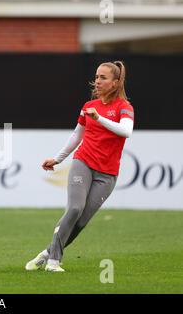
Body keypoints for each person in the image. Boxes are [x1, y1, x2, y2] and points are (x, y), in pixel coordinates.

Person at [25, 61, 134, 272]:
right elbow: (77, 135)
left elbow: (126, 131)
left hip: (107, 173)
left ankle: (48, 252)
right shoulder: (88, 107)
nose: (98, 81)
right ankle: (54, 262)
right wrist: (57, 159)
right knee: (75, 208)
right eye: (97, 76)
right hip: (83, 161)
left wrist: (100, 118)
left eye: (103, 77)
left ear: (116, 82)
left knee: (81, 221)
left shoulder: (124, 108)